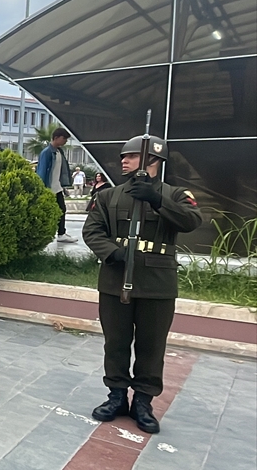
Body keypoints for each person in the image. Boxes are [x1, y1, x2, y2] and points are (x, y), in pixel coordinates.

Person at [83, 136, 201, 434]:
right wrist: (113, 252)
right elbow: (92, 230)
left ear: (154, 160)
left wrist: (157, 200)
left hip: (157, 283)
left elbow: (191, 221)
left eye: (132, 156)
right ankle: (117, 396)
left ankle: (143, 402)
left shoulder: (175, 194)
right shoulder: (109, 196)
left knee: (151, 345)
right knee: (116, 342)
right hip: (116, 278)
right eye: (124, 156)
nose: (123, 160)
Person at [38, 127, 77, 243]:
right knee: (47, 212)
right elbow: (42, 170)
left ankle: (61, 233)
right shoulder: (47, 152)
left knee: (62, 210)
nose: (65, 141)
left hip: (57, 187)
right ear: (56, 138)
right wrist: (42, 189)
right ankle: (44, 234)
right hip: (48, 188)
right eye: (63, 138)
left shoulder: (59, 152)